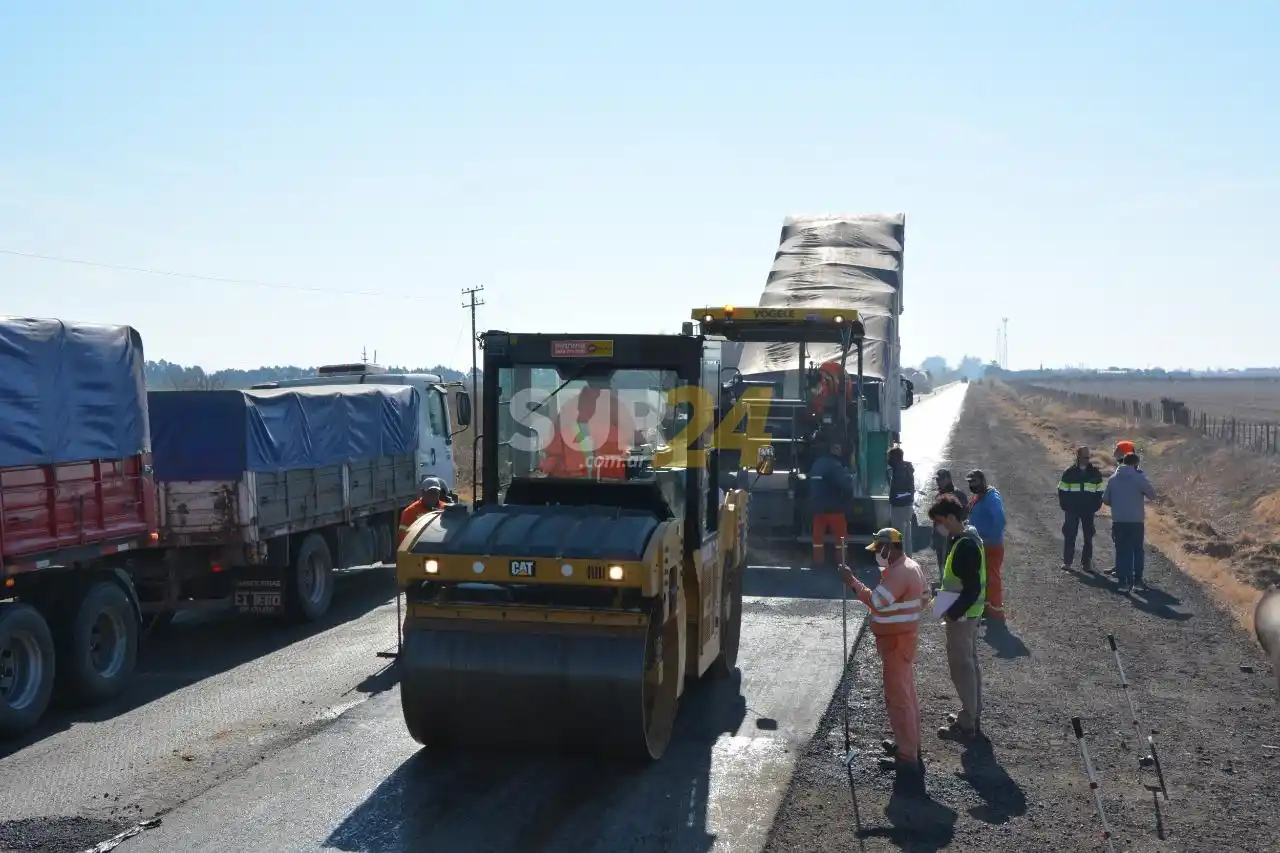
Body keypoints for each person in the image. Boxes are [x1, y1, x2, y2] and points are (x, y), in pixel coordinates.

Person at [839, 528, 926, 777]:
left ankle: (907, 758)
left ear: (891, 547)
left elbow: (876, 601)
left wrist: (852, 582)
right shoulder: (909, 567)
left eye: (879, 549)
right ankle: (909, 746)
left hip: (896, 644)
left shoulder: (901, 572)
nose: (877, 554)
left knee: (899, 701)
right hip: (901, 642)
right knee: (906, 697)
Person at [928, 495, 987, 742]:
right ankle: (971, 714)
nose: (938, 527)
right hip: (969, 615)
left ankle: (967, 723)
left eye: (940, 521)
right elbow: (957, 583)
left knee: (962, 669)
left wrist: (951, 613)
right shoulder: (967, 537)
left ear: (952, 518)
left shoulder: (965, 546)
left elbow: (970, 589)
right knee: (969, 666)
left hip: (962, 618)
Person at [1102, 452, 1156, 594]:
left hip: (1119, 520)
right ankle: (1137, 581)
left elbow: (1106, 499)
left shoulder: (1113, 479)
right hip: (1136, 521)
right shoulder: (1139, 478)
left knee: (1121, 552)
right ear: (1136, 463)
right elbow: (1152, 495)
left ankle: (1123, 582)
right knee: (1137, 550)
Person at [965, 469, 1007, 622]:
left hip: (991, 546)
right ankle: (986, 609)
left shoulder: (992, 498)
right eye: (969, 482)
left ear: (982, 481)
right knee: (983, 578)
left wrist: (988, 538)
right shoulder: (979, 496)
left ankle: (996, 612)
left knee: (992, 578)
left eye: (974, 482)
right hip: (981, 545)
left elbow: (1000, 521)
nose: (971, 485)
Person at [808, 440, 854, 567]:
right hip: (833, 508)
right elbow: (845, 485)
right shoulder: (835, 465)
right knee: (841, 538)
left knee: (818, 538)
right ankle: (842, 563)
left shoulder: (817, 463)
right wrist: (847, 500)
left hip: (817, 507)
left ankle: (818, 563)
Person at [1058, 446, 1105, 572]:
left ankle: (1087, 563)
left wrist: (1096, 506)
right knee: (1070, 536)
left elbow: (1100, 491)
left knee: (1088, 537)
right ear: (1078, 457)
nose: (1087, 459)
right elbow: (1062, 490)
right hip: (1072, 510)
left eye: (1088, 457)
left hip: (1088, 510)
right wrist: (1066, 506)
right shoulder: (1069, 472)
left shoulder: (1095, 472)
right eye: (1084, 457)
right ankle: (1067, 563)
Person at [930, 468, 968, 573]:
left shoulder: (958, 495)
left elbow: (964, 516)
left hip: (951, 538)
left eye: (940, 480)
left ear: (948, 479)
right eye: (937, 480)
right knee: (942, 566)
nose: (937, 482)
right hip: (940, 538)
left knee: (952, 565)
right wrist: (934, 537)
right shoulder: (938, 495)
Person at [886, 446, 917, 556]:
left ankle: (900, 558)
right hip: (907, 505)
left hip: (899, 506)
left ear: (894, 458)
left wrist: (894, 498)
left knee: (898, 533)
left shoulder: (897, 471)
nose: (888, 459)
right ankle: (908, 557)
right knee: (907, 533)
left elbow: (896, 490)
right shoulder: (907, 467)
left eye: (889, 456)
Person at [399, 476, 447, 545]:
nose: (433, 496)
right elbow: (403, 539)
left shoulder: (446, 509)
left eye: (436, 493)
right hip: (419, 551)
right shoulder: (410, 512)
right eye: (430, 493)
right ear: (422, 493)